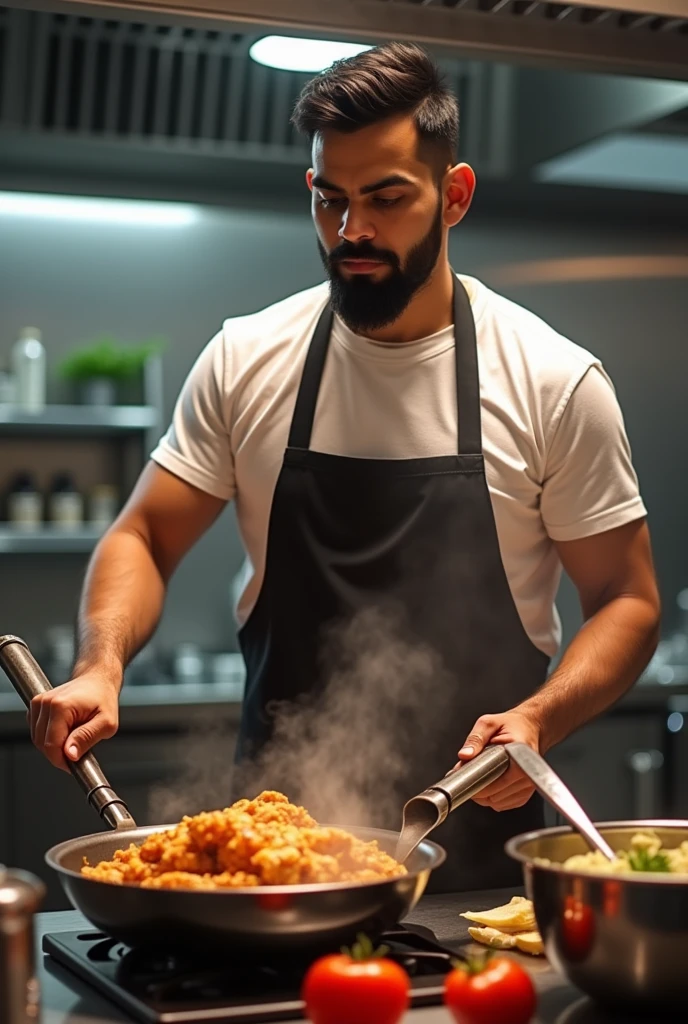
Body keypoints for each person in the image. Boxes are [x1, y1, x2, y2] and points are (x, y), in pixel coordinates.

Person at [29, 43, 660, 891]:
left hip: (477, 859)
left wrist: (542, 718)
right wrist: (100, 665)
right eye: (331, 201)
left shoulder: (552, 381)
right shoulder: (248, 357)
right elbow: (144, 533)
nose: (352, 231)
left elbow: (627, 598)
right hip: (268, 863)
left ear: (456, 195)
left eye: (387, 198)